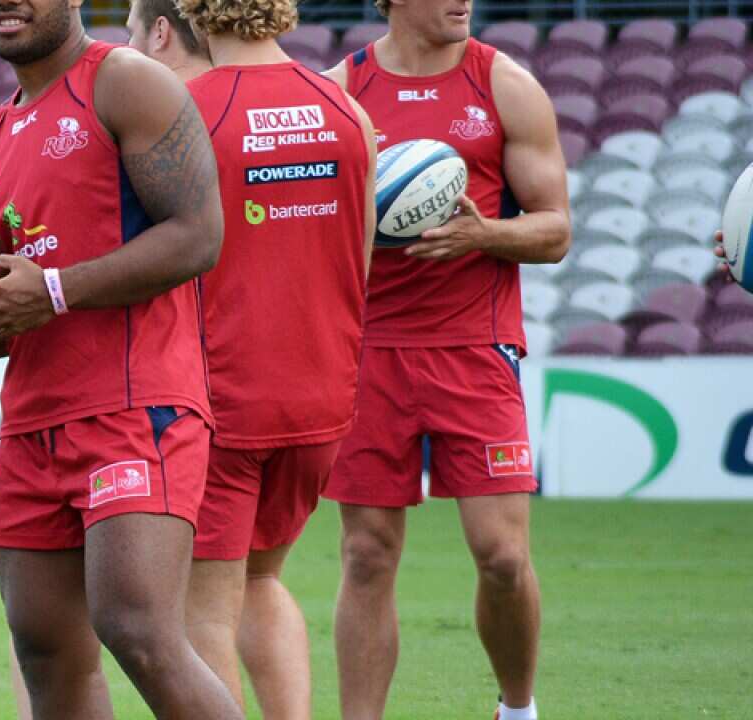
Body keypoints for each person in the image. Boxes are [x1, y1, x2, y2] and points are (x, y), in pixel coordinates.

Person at [0, 0, 243, 716]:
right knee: (45, 649)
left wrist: (53, 290)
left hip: (138, 406)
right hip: (34, 425)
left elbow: (199, 236)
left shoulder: (127, 82)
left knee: (137, 628)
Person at [319, 1, 571, 719]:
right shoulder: (341, 92)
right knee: (366, 554)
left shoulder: (506, 85)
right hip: (368, 350)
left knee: (502, 557)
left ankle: (517, 709)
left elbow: (555, 231)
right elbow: (313, 225)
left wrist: (482, 235)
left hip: (474, 348)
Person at [171, 0, 376, 716]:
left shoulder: (189, 110)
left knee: (203, 609)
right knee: (261, 579)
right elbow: (362, 258)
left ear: (196, 9)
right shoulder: (347, 110)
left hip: (223, 395)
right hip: (322, 394)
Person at [125, 0, 211, 83]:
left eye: (132, 33)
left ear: (160, 32)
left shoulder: (154, 97)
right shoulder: (223, 87)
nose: (128, 46)